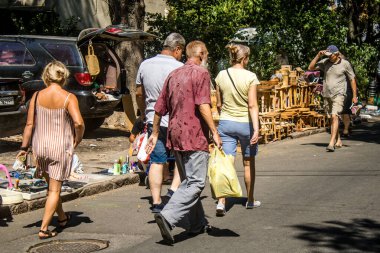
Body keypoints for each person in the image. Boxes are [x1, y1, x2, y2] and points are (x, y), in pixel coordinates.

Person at [146, 40, 222, 244]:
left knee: (188, 180)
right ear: (202, 54)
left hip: (176, 134)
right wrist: (214, 131)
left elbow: (159, 108)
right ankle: (168, 216)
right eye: (207, 54)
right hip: (194, 134)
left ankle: (196, 224)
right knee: (196, 183)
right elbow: (203, 104)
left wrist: (154, 133)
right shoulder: (201, 74)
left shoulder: (174, 74)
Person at [16, 61, 85, 239]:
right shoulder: (69, 98)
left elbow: (29, 124)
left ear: (46, 76)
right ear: (64, 77)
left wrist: (24, 148)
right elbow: (78, 123)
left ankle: (61, 218)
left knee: (51, 187)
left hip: (40, 147)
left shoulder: (37, 96)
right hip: (59, 147)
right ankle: (44, 229)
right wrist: (78, 137)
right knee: (55, 190)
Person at [135, 33, 185, 213]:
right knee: (181, 159)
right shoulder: (179, 67)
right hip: (175, 121)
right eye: (181, 52)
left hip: (152, 121)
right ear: (177, 49)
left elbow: (139, 93)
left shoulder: (145, 64)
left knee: (157, 160)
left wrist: (143, 113)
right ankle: (172, 192)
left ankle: (156, 202)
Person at [214, 44, 261, 216]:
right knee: (248, 163)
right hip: (245, 124)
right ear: (244, 58)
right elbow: (252, 105)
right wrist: (256, 129)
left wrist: (225, 116)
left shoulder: (221, 75)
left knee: (227, 163)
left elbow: (218, 104)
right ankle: (249, 199)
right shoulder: (251, 77)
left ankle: (221, 202)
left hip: (226, 122)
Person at [308, 45, 357, 151]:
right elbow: (310, 68)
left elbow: (352, 79)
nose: (330, 57)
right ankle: (337, 139)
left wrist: (354, 96)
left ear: (337, 54)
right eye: (328, 55)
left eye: (331, 55)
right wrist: (318, 55)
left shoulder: (345, 64)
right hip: (326, 95)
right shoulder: (325, 62)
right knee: (331, 118)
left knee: (335, 116)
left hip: (339, 94)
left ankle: (331, 143)